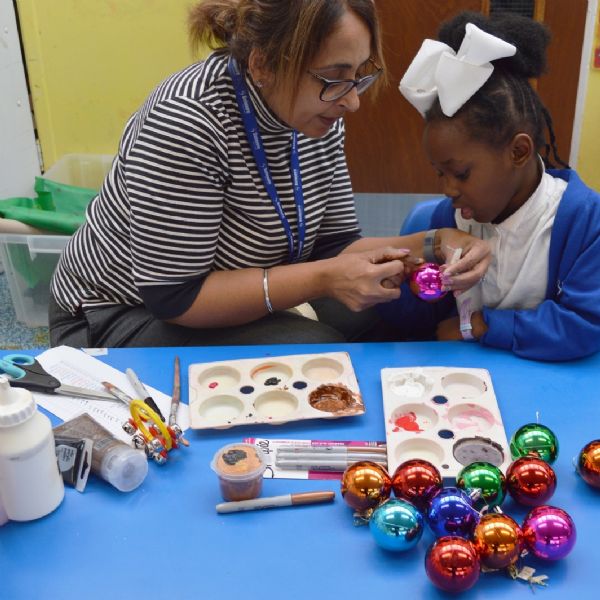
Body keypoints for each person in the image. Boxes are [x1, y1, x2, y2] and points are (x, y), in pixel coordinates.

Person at [49, 0, 489, 348]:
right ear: (262, 65)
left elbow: (334, 247)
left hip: (245, 281)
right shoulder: (188, 121)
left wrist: (434, 243)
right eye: (334, 77)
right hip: (121, 313)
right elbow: (176, 297)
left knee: (390, 312)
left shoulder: (318, 113)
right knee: (316, 354)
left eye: (360, 75)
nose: (352, 101)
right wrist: (324, 279)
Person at [380, 11, 600, 361]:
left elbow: (585, 324)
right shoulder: (447, 220)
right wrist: (408, 286)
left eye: (461, 173)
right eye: (440, 173)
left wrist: (479, 325)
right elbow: (419, 328)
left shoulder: (584, 222)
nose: (449, 190)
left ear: (518, 151)